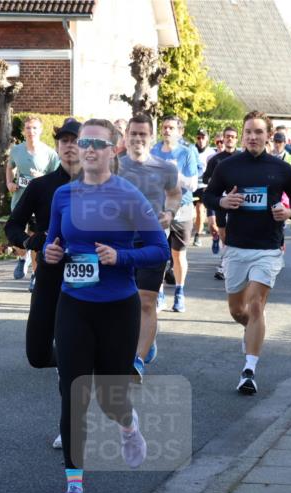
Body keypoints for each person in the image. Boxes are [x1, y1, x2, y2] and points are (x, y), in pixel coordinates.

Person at [42, 118, 170, 493]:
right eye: (84, 143)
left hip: (118, 305)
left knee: (110, 397)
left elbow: (160, 249)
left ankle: (128, 425)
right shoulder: (63, 194)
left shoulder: (128, 195)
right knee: (72, 390)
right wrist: (51, 253)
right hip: (73, 304)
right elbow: (52, 239)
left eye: (98, 143)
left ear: (113, 149)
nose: (90, 149)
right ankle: (74, 489)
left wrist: (122, 257)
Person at [203, 111, 291, 395]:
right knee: (238, 310)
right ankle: (251, 333)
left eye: (258, 132)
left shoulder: (282, 168)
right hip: (236, 247)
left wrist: (289, 212)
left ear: (268, 136)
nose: (252, 136)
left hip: (268, 248)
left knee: (257, 305)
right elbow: (208, 195)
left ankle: (249, 370)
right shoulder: (228, 166)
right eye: (248, 131)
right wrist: (223, 201)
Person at [4, 118, 81, 449]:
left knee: (69, 351)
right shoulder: (42, 186)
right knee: (37, 353)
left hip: (85, 281)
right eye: (63, 140)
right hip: (49, 275)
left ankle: (71, 425)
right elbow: (12, 226)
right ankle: (83, 363)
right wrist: (33, 241)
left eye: (74, 140)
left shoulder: (101, 186)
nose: (68, 146)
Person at [118, 113, 182, 380]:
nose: (138, 139)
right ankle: (146, 338)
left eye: (143, 134)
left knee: (146, 301)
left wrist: (169, 212)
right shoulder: (114, 166)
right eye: (133, 133)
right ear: (126, 136)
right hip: (119, 242)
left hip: (152, 242)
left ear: (152, 137)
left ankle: (137, 360)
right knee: (123, 301)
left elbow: (175, 194)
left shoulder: (166, 168)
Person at [151, 115, 198, 313]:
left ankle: (179, 292)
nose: (167, 131)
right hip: (159, 208)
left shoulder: (187, 153)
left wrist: (175, 175)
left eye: (171, 128)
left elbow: (193, 184)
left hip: (183, 208)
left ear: (180, 132)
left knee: (178, 254)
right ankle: (159, 294)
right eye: (165, 127)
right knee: (159, 253)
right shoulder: (153, 150)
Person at [8, 116, 60, 282]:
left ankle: (35, 276)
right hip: (20, 200)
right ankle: (23, 259)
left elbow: (56, 177)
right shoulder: (16, 150)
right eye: (28, 128)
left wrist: (42, 177)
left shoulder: (50, 153)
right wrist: (9, 182)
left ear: (41, 130)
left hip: (39, 203)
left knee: (37, 238)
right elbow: (10, 167)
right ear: (24, 131)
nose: (31, 131)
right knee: (17, 234)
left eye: (35, 128)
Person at [204, 126, 240, 279]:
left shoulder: (242, 157)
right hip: (222, 200)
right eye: (227, 136)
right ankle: (227, 254)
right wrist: (214, 182)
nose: (230, 139)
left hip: (239, 201)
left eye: (232, 136)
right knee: (222, 230)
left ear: (236, 139)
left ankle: (228, 261)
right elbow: (205, 177)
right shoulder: (215, 159)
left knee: (237, 230)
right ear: (223, 139)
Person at [191, 127, 216, 247]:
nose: (201, 140)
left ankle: (198, 235)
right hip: (191, 185)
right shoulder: (190, 150)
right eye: (198, 137)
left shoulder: (211, 153)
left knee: (200, 209)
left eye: (203, 137)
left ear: (207, 139)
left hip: (204, 186)